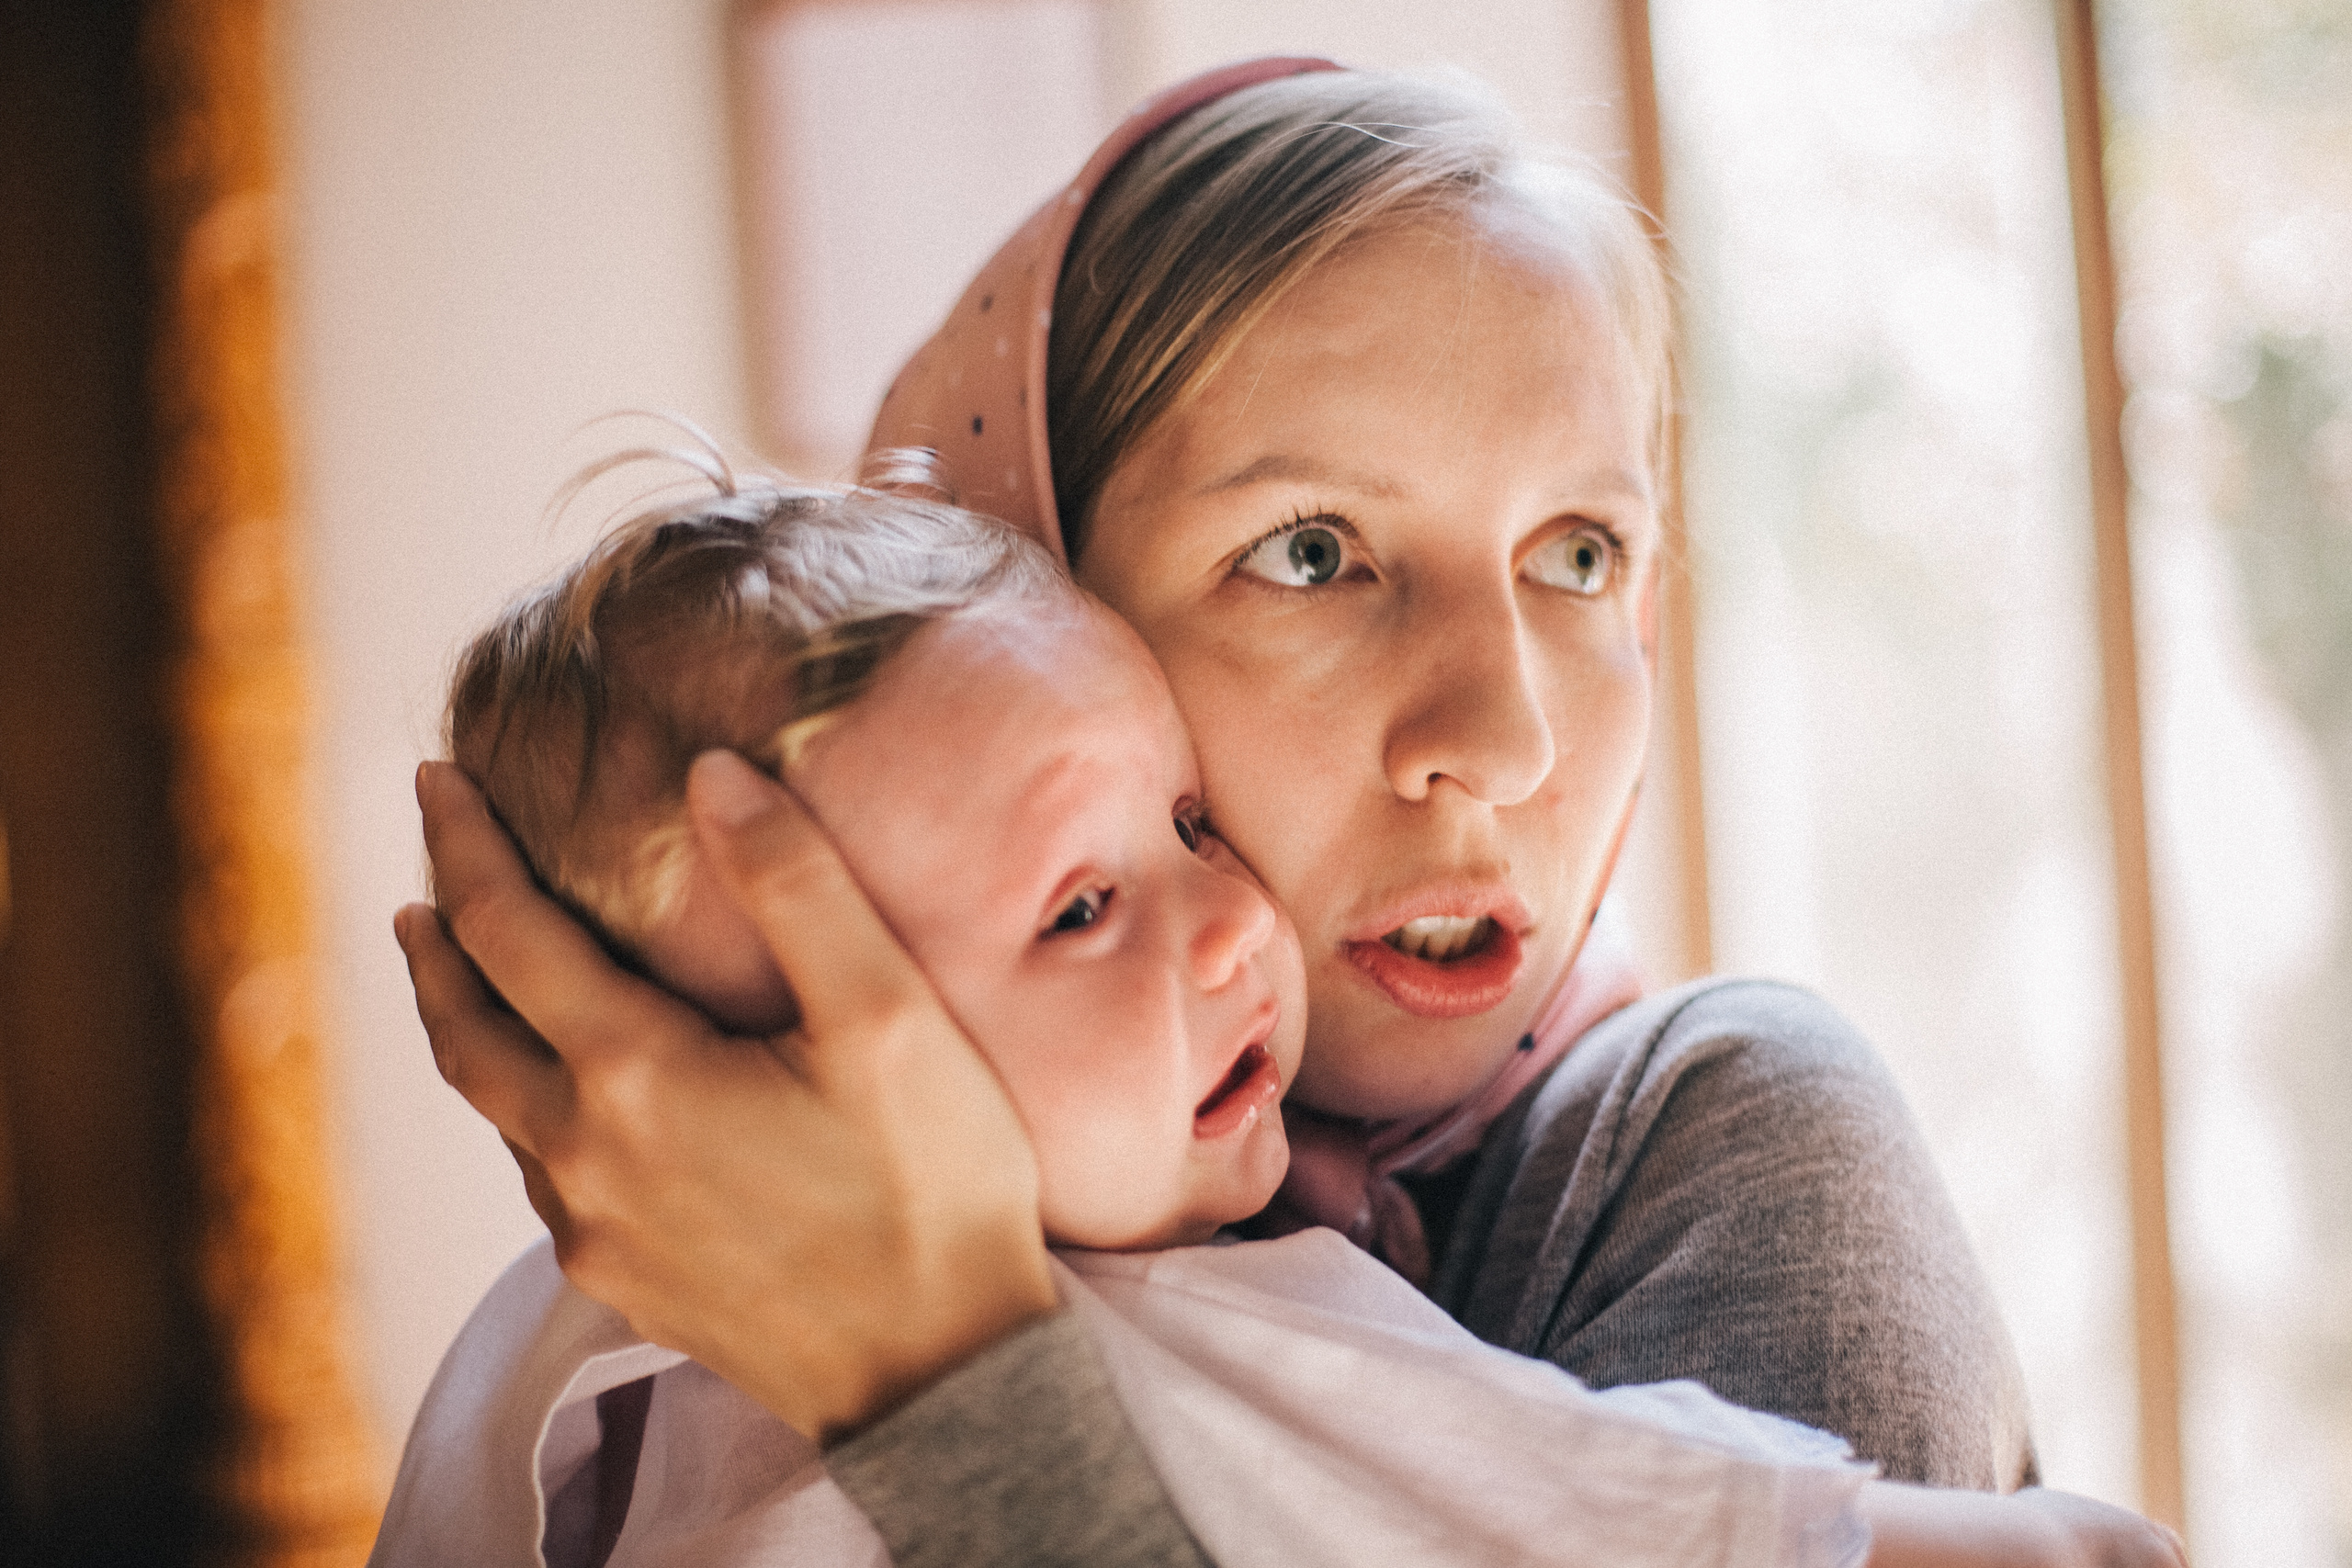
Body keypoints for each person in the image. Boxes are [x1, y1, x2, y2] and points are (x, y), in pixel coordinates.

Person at [398, 60, 2104, 1567]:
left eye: (1581, 558)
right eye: (1312, 553)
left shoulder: (1726, 1146)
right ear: (1035, 627)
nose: (1502, 740)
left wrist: (941, 1386)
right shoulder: (638, 1343)